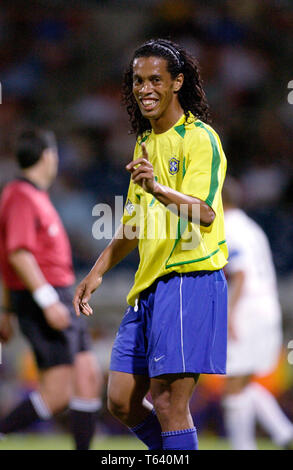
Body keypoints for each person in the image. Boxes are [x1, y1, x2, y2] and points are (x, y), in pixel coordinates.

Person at [73, 38, 228, 451]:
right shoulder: (145, 142)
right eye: (138, 80)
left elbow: (205, 212)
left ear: (177, 82)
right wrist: (98, 271)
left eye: (155, 79)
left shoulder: (199, 138)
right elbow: (134, 222)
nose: (145, 89)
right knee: (121, 400)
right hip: (148, 288)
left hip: (188, 280)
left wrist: (157, 187)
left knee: (167, 402)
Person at [0, 129, 103, 450]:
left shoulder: (35, 195)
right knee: (57, 394)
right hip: (42, 297)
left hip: (56, 295)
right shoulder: (20, 194)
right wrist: (46, 301)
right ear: (47, 155)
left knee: (88, 377)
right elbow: (17, 253)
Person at [222, 177, 293, 450]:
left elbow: (240, 273)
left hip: (246, 308)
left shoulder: (228, 226)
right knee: (245, 379)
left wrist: (229, 313)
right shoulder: (252, 227)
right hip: (267, 305)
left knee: (234, 383)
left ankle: (243, 446)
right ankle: (284, 432)